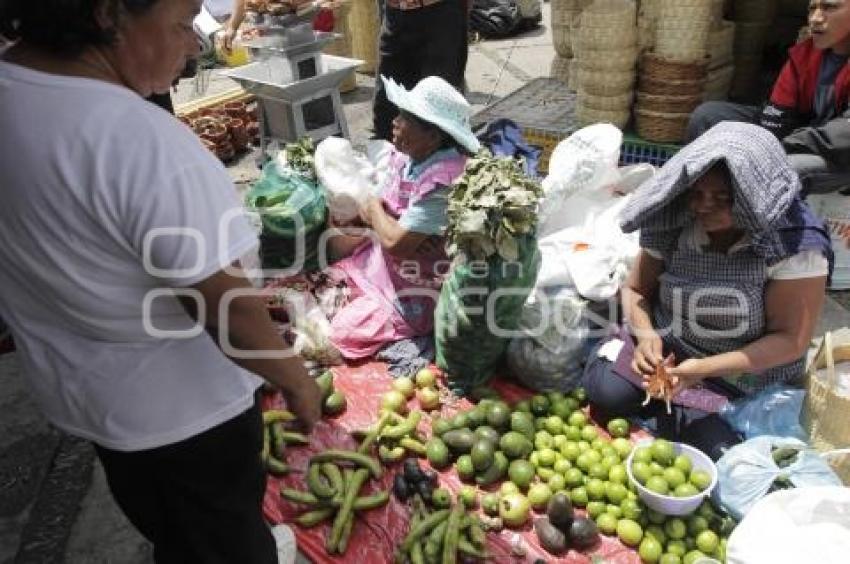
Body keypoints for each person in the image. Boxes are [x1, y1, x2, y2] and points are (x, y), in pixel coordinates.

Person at [0, 1, 321, 563]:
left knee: (172, 527)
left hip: (97, 402)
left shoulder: (13, 84)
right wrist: (297, 379)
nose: (194, 46)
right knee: (222, 541)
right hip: (185, 419)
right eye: (180, 24)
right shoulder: (137, 139)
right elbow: (227, 312)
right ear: (108, 14)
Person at [583, 122, 833, 461]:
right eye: (697, 194)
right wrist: (645, 336)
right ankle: (679, 407)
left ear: (752, 197)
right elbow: (636, 288)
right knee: (606, 393)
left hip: (739, 375)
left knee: (723, 452)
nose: (703, 207)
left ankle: (692, 410)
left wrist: (703, 369)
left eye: (722, 198)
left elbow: (791, 340)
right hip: (673, 349)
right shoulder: (675, 218)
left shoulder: (793, 245)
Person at [326, 75, 480, 359]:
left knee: (343, 333)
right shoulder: (409, 158)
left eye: (405, 117)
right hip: (388, 265)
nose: (395, 121)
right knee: (333, 251)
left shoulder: (444, 181)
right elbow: (384, 212)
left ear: (433, 135)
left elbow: (396, 242)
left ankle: (406, 323)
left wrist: (373, 208)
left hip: (417, 283)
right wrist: (368, 214)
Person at [685, 0, 850, 195]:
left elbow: (842, 135)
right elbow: (777, 114)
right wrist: (763, 144)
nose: (816, 19)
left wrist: (782, 146)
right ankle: (704, 195)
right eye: (812, 9)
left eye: (830, 8)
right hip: (801, 135)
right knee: (708, 116)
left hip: (838, 154)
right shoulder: (804, 55)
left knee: (787, 169)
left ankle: (751, 217)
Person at [371, 0, 470, 141]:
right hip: (395, 16)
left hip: (439, 16)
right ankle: (390, 158)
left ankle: (443, 159)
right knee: (385, 112)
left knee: (437, 117)